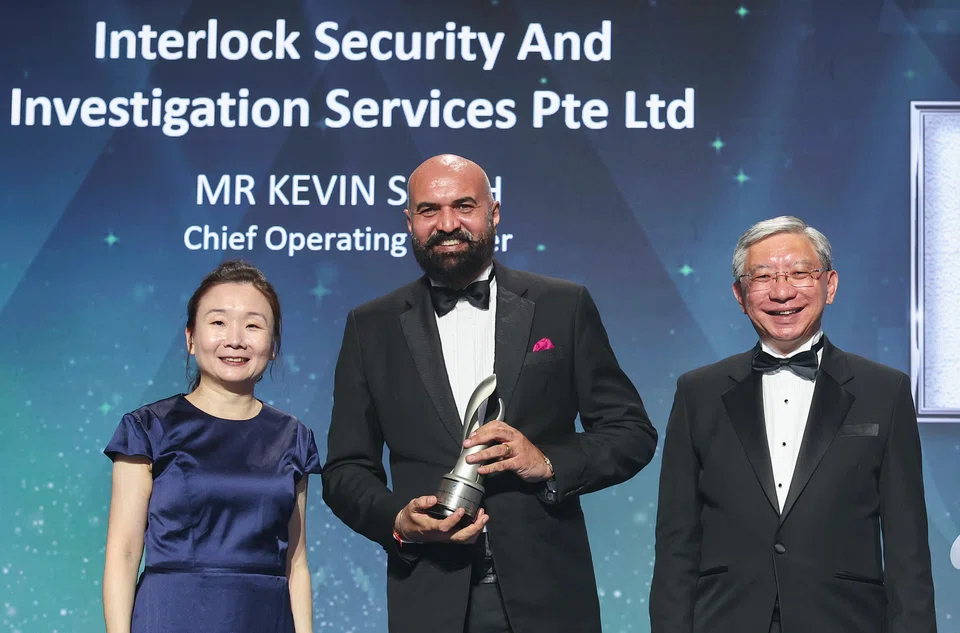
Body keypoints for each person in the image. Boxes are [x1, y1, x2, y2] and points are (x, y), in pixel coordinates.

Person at [322, 154, 657, 633]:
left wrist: (547, 462)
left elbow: (631, 433)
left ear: (494, 213)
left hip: (550, 599)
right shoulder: (369, 326)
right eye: (429, 210)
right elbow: (345, 470)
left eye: (464, 206)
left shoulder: (562, 305)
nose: (447, 224)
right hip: (430, 597)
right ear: (409, 222)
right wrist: (398, 520)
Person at [650, 216, 937, 633]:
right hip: (725, 619)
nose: (782, 291)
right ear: (740, 294)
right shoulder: (699, 392)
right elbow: (676, 542)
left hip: (846, 620)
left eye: (800, 273)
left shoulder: (885, 391)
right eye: (762, 276)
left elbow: (907, 545)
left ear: (830, 285)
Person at [102, 260, 321, 633]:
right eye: (218, 322)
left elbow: (296, 565)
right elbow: (123, 555)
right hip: (171, 614)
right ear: (190, 339)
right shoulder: (148, 428)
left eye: (253, 325)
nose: (235, 339)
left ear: (272, 347)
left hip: (265, 617)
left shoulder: (293, 437)